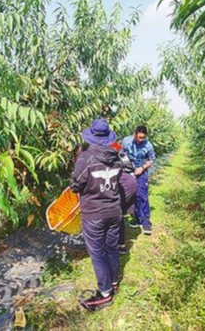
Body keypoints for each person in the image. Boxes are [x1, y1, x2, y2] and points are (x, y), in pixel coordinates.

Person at [70, 119, 123, 311]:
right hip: (114, 210)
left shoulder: (85, 158)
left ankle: (105, 294)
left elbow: (75, 185)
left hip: (94, 213)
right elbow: (119, 177)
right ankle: (114, 282)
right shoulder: (117, 157)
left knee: (98, 253)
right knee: (112, 248)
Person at [121, 126, 156, 235]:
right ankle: (136, 218)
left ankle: (146, 223)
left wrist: (141, 168)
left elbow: (152, 159)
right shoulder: (126, 141)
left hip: (141, 171)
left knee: (143, 196)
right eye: (139, 137)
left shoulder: (148, 145)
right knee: (132, 196)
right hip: (128, 170)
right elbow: (121, 154)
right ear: (134, 134)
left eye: (143, 138)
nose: (141, 140)